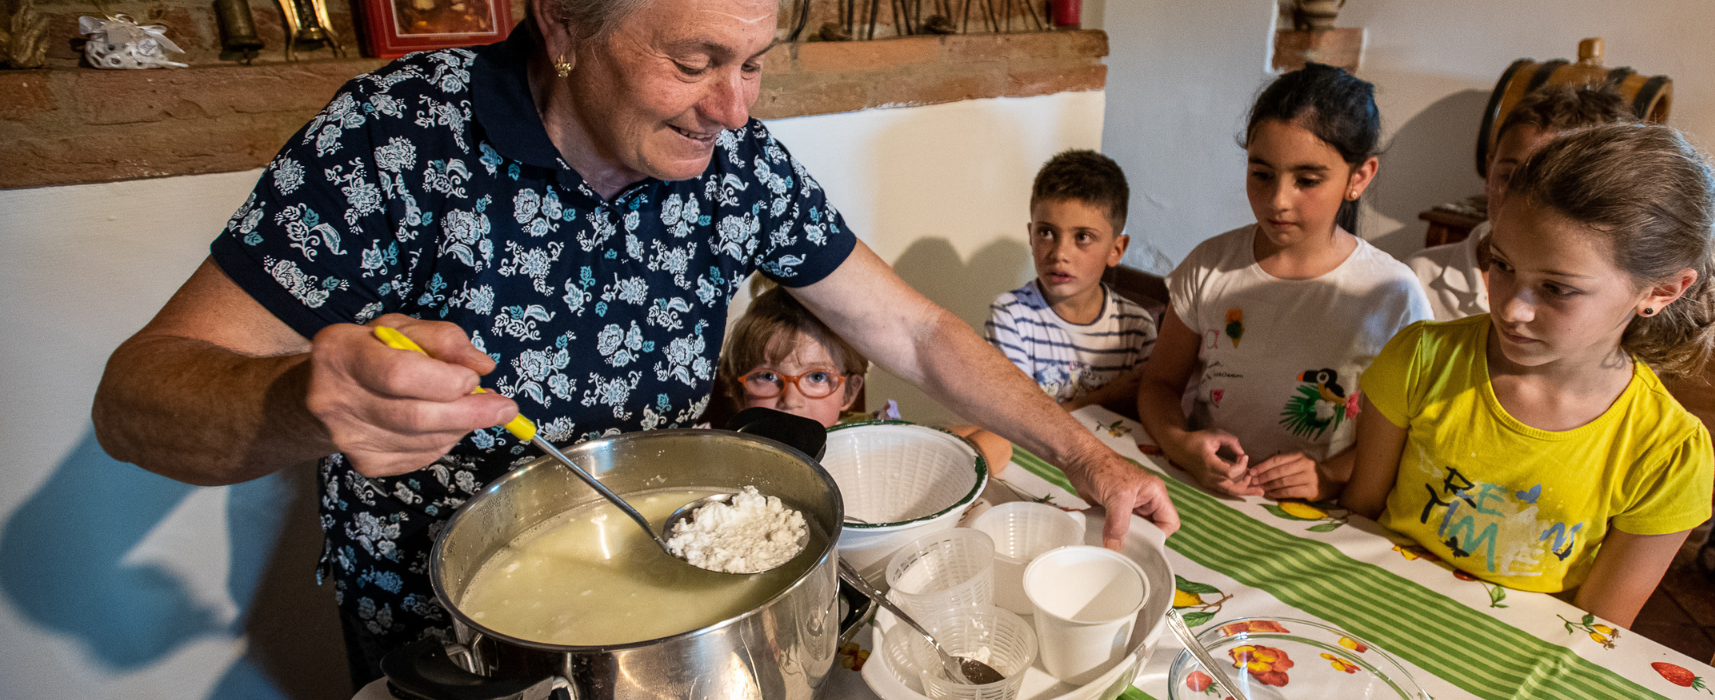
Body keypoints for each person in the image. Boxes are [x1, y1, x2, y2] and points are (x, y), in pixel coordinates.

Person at [88, 0, 1175, 682]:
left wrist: (1084, 453)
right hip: (452, 641)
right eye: (698, 58)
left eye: (757, 60)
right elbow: (133, 399)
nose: (735, 108)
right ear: (563, 27)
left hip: (677, 612)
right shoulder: (396, 143)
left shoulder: (739, 167)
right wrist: (299, 400)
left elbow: (917, 328)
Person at [1339, 123, 1715, 627]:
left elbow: (1597, 632)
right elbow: (1358, 520)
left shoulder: (1667, 452)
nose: (1512, 309)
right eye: (1501, 265)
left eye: (1557, 288)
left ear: (1661, 291)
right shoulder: (1421, 360)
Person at [1137, 63, 1431, 502]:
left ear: (1359, 177)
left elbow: (1407, 432)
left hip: (1315, 513)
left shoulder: (1392, 294)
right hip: (1204, 492)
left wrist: (1328, 475)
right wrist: (1182, 443)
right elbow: (1159, 385)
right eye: (1261, 174)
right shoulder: (1209, 266)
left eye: (1307, 180)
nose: (1278, 200)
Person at [715, 282, 1012, 471]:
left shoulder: (868, 442)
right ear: (739, 387)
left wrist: (948, 479)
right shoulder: (725, 462)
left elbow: (998, 441)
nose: (791, 400)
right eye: (767, 376)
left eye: (817, 377)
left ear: (849, 391)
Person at [1405, 86, 1635, 320]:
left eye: (1551, 181)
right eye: (1509, 176)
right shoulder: (1420, 277)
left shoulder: (1613, 293)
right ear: (1489, 171)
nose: (1521, 198)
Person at [986, 150, 1158, 416]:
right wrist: (1107, 397)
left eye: (1083, 237)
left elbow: (1142, 420)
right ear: (1031, 236)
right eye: (1046, 233)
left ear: (1116, 249)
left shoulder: (1137, 329)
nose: (1059, 254)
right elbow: (1019, 424)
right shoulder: (1011, 317)